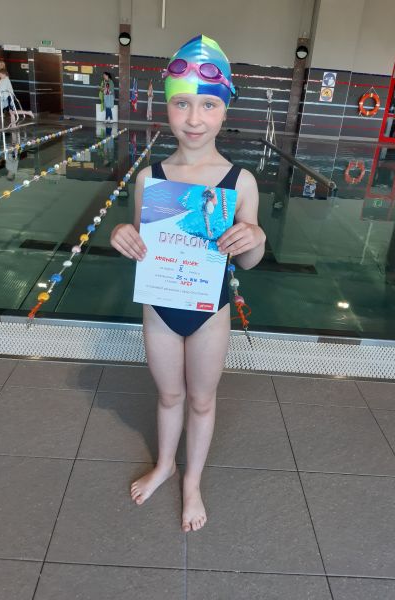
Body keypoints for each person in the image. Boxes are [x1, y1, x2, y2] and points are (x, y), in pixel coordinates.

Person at [110, 34, 266, 532]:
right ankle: (165, 466)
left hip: (209, 310)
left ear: (225, 111)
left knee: (201, 399)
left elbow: (250, 262)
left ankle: (192, 480)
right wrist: (122, 234)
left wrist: (255, 236)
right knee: (169, 396)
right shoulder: (150, 178)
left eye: (208, 105)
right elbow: (144, 247)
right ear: (167, 107)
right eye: (182, 104)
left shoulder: (240, 181)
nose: (194, 118)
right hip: (160, 308)